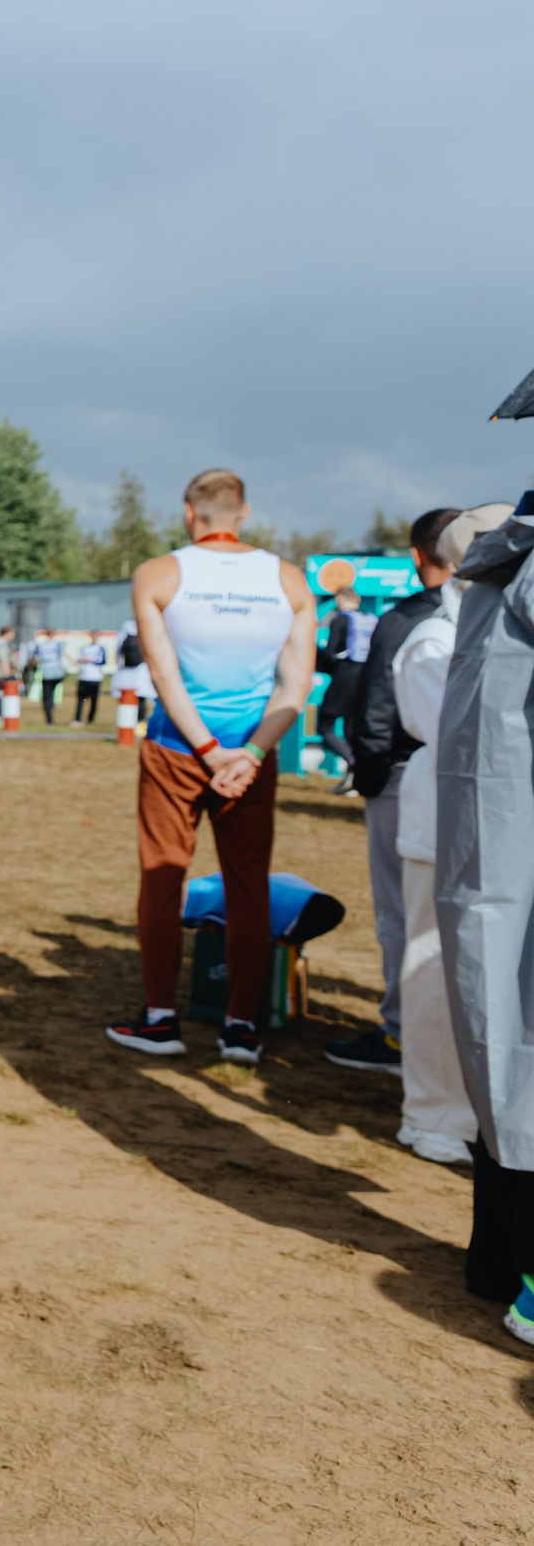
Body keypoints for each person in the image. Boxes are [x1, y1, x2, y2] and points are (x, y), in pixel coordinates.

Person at [106, 469, 316, 1066]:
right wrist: (248, 753)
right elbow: (295, 683)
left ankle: (160, 1018)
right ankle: (241, 1027)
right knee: (248, 884)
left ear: (187, 513)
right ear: (243, 513)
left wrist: (206, 749)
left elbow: (164, 673)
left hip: (179, 748)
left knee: (163, 877)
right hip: (251, 752)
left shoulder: (158, 573)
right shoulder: (289, 580)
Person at [431, 491, 534, 1344]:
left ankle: (501, 1260)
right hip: (515, 854)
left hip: (488, 856)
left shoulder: (496, 562)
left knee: (502, 1041)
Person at [386, 508, 510, 1162]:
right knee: (434, 964)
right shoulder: (436, 640)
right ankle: (433, 1114)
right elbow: (465, 736)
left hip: (499, 826)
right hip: (445, 821)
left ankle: (475, 1108)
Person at [325, 508, 460, 1077]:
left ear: (416, 556)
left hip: (410, 780)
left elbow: (378, 705)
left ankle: (403, 1035)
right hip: (474, 786)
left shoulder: (407, 622)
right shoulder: (495, 612)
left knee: (402, 913)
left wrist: (371, 775)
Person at [315, 585, 371, 786]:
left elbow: (331, 654)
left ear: (340, 597)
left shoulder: (340, 619)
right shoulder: (371, 619)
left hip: (344, 677)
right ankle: (354, 780)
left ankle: (352, 762)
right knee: (351, 729)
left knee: (325, 726)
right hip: (366, 679)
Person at [29, 629, 66, 725]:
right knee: (54, 691)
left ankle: (49, 718)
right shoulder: (57, 644)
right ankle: (52, 705)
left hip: (46, 673)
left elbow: (35, 658)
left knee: (46, 696)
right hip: (57, 673)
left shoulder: (41, 645)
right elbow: (63, 654)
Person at [74, 633, 109, 724]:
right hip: (84, 676)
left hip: (95, 677)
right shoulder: (85, 647)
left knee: (94, 700)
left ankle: (90, 720)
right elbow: (79, 658)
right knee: (80, 699)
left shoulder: (100, 648)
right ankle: (77, 719)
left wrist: (89, 660)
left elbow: (103, 661)